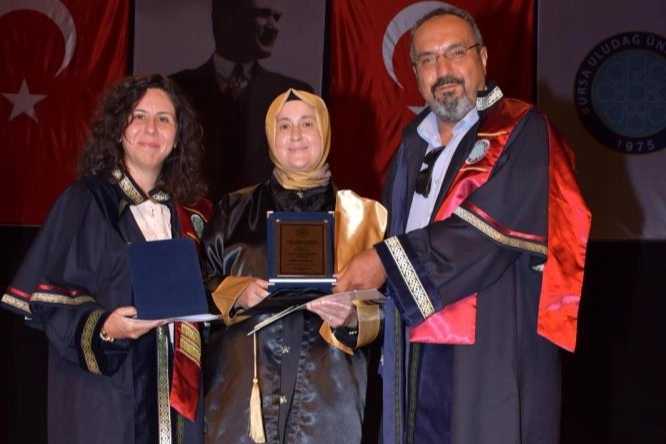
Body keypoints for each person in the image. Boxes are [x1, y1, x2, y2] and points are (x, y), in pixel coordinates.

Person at [334, 6, 591, 444]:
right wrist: (359, 307)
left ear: (483, 58)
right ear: (415, 74)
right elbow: (395, 260)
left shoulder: (522, 131)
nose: (443, 70)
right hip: (413, 358)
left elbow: (482, 238)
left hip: (487, 353)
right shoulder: (411, 147)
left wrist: (381, 262)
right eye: (428, 59)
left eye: (456, 52)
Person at [1, 74, 212, 444]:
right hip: (107, 403)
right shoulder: (86, 203)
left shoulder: (192, 217)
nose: (151, 128)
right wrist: (106, 327)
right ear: (118, 129)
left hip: (178, 412)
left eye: (164, 118)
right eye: (138, 116)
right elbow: (51, 302)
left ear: (178, 135)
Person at [202, 88, 385, 444]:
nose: (296, 135)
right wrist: (236, 293)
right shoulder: (232, 211)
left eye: (306, 123)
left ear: (325, 131)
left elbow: (392, 310)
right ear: (271, 135)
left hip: (330, 403)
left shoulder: (366, 218)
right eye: (284, 125)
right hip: (243, 400)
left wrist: (354, 318)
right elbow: (198, 287)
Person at [171, 0, 314, 202]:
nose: (273, 27)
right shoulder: (176, 90)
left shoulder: (294, 96)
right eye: (263, 14)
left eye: (276, 17)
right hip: (192, 215)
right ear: (224, 18)